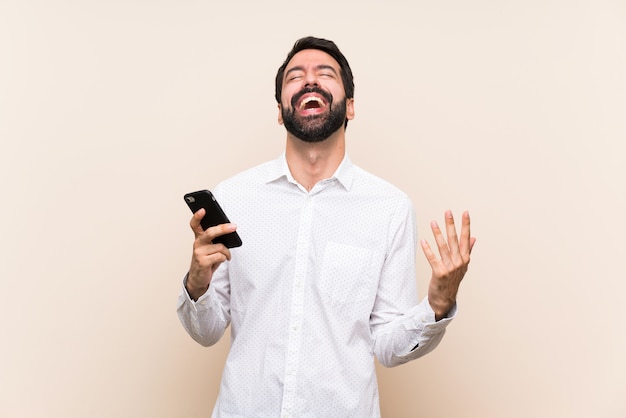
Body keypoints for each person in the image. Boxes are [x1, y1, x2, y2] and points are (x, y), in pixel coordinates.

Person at [177, 36, 476, 417]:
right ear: (281, 112)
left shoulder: (389, 208)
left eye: (325, 74)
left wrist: (437, 306)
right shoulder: (234, 196)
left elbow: (387, 345)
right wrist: (196, 283)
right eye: (295, 76)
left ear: (349, 107)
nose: (309, 81)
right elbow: (206, 331)